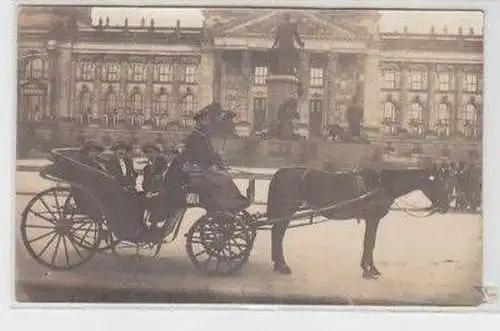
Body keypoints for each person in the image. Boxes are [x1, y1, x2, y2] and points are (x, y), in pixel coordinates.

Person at [180, 108, 249, 212]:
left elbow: (208, 152)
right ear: (199, 121)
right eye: (205, 119)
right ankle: (231, 202)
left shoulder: (202, 134)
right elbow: (201, 155)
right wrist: (215, 158)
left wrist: (216, 157)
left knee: (225, 176)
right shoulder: (196, 136)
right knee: (224, 178)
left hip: (203, 166)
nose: (207, 122)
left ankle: (233, 200)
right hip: (200, 169)